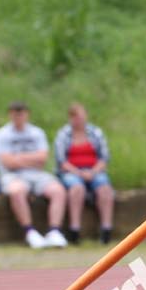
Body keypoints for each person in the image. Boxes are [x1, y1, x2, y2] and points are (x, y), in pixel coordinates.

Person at [0, 101, 67, 249]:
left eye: (21, 113)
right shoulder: (3, 134)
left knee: (58, 190)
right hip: (12, 175)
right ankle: (30, 232)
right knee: (17, 191)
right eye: (15, 113)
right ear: (10, 114)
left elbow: (42, 159)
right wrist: (30, 159)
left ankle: (54, 231)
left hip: (37, 175)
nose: (18, 116)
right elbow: (7, 162)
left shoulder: (36, 132)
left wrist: (18, 158)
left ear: (27, 114)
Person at [54, 103, 114, 244]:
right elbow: (61, 161)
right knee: (77, 189)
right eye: (75, 117)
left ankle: (106, 229)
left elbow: (104, 158)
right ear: (70, 118)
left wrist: (93, 172)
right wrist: (79, 173)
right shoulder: (63, 134)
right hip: (71, 171)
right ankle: (74, 229)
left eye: (81, 117)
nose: (78, 120)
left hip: (94, 170)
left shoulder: (96, 133)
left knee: (104, 189)